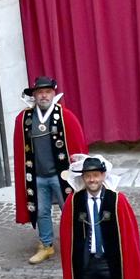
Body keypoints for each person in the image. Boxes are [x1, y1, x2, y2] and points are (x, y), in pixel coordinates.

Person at [12, 75, 83, 264]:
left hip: (61, 176)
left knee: (69, 209)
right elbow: (20, 151)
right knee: (42, 211)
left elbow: (77, 145)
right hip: (37, 176)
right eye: (40, 92)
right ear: (34, 95)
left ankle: (77, 243)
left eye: (47, 92)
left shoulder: (65, 116)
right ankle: (46, 245)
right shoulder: (24, 118)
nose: (44, 96)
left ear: (53, 94)